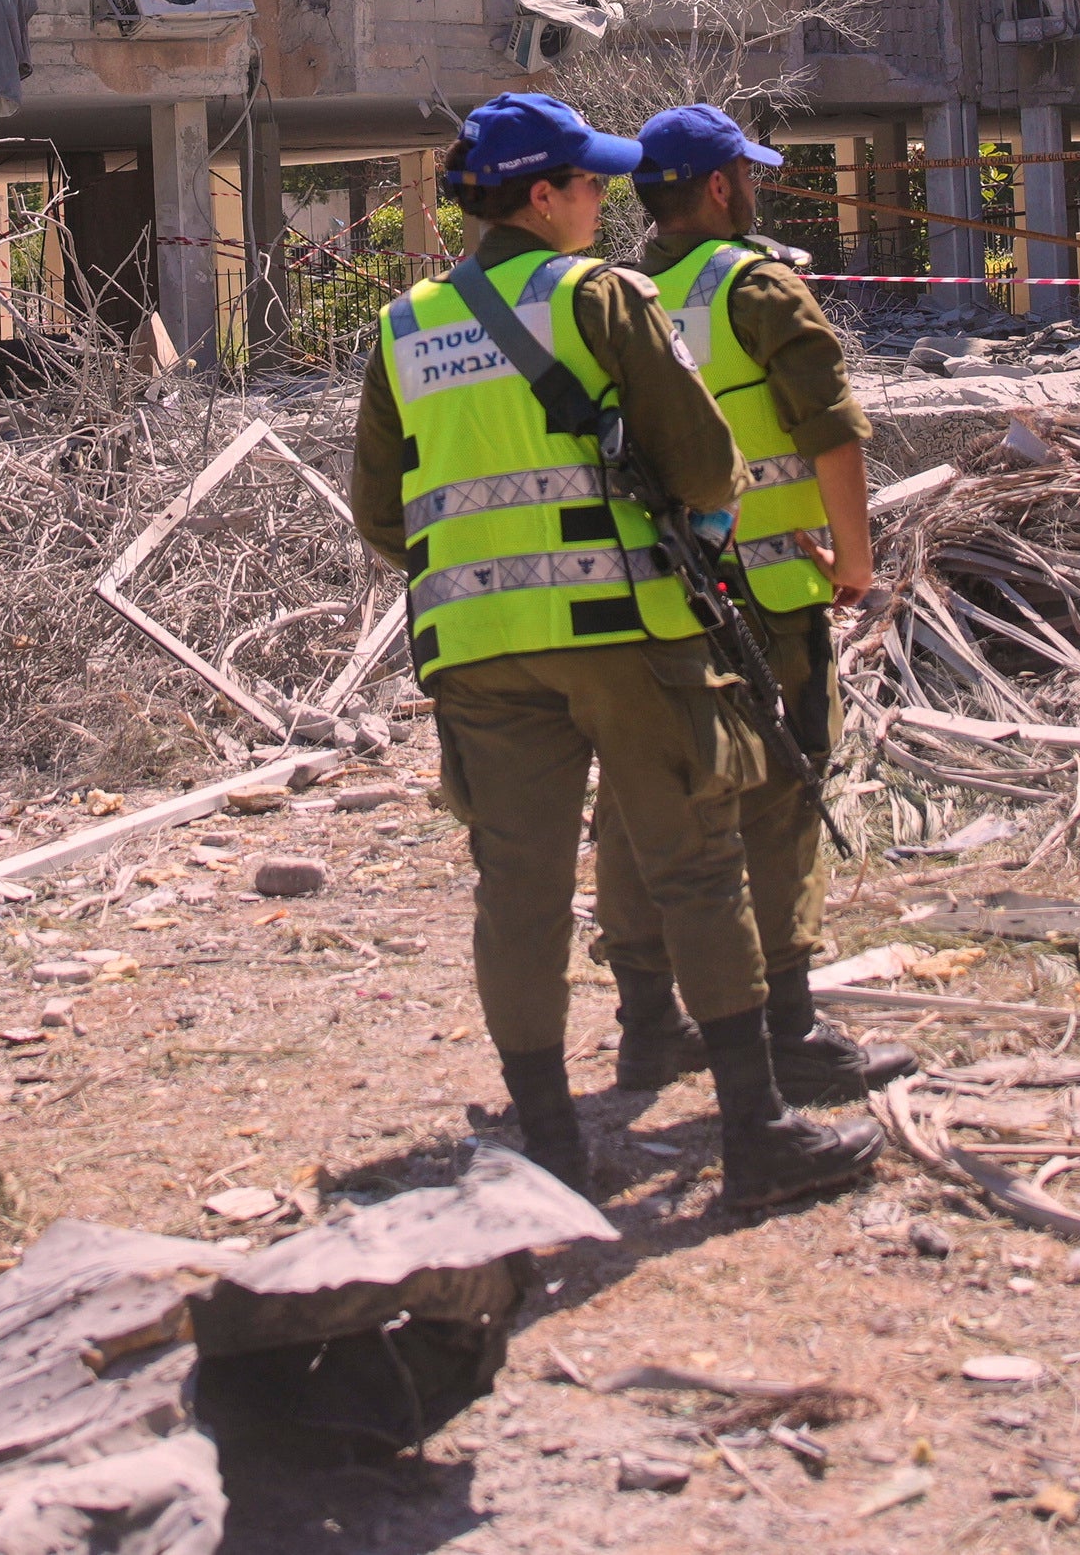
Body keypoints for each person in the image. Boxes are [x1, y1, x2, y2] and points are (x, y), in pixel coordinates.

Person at [348, 93, 877, 1215]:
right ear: (541, 196)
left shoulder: (404, 326)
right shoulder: (599, 296)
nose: (605, 199)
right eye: (590, 182)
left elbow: (382, 516)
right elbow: (700, 466)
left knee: (520, 889)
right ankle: (756, 1130)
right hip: (626, 634)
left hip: (476, 651)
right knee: (693, 860)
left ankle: (548, 1145)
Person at [591, 104, 912, 1108]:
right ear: (724, 185)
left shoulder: (613, 295)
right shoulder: (757, 283)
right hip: (769, 597)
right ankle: (790, 1027)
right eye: (748, 172)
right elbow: (830, 431)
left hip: (648, 599)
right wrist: (855, 562)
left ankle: (648, 1028)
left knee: (647, 809)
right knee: (781, 801)